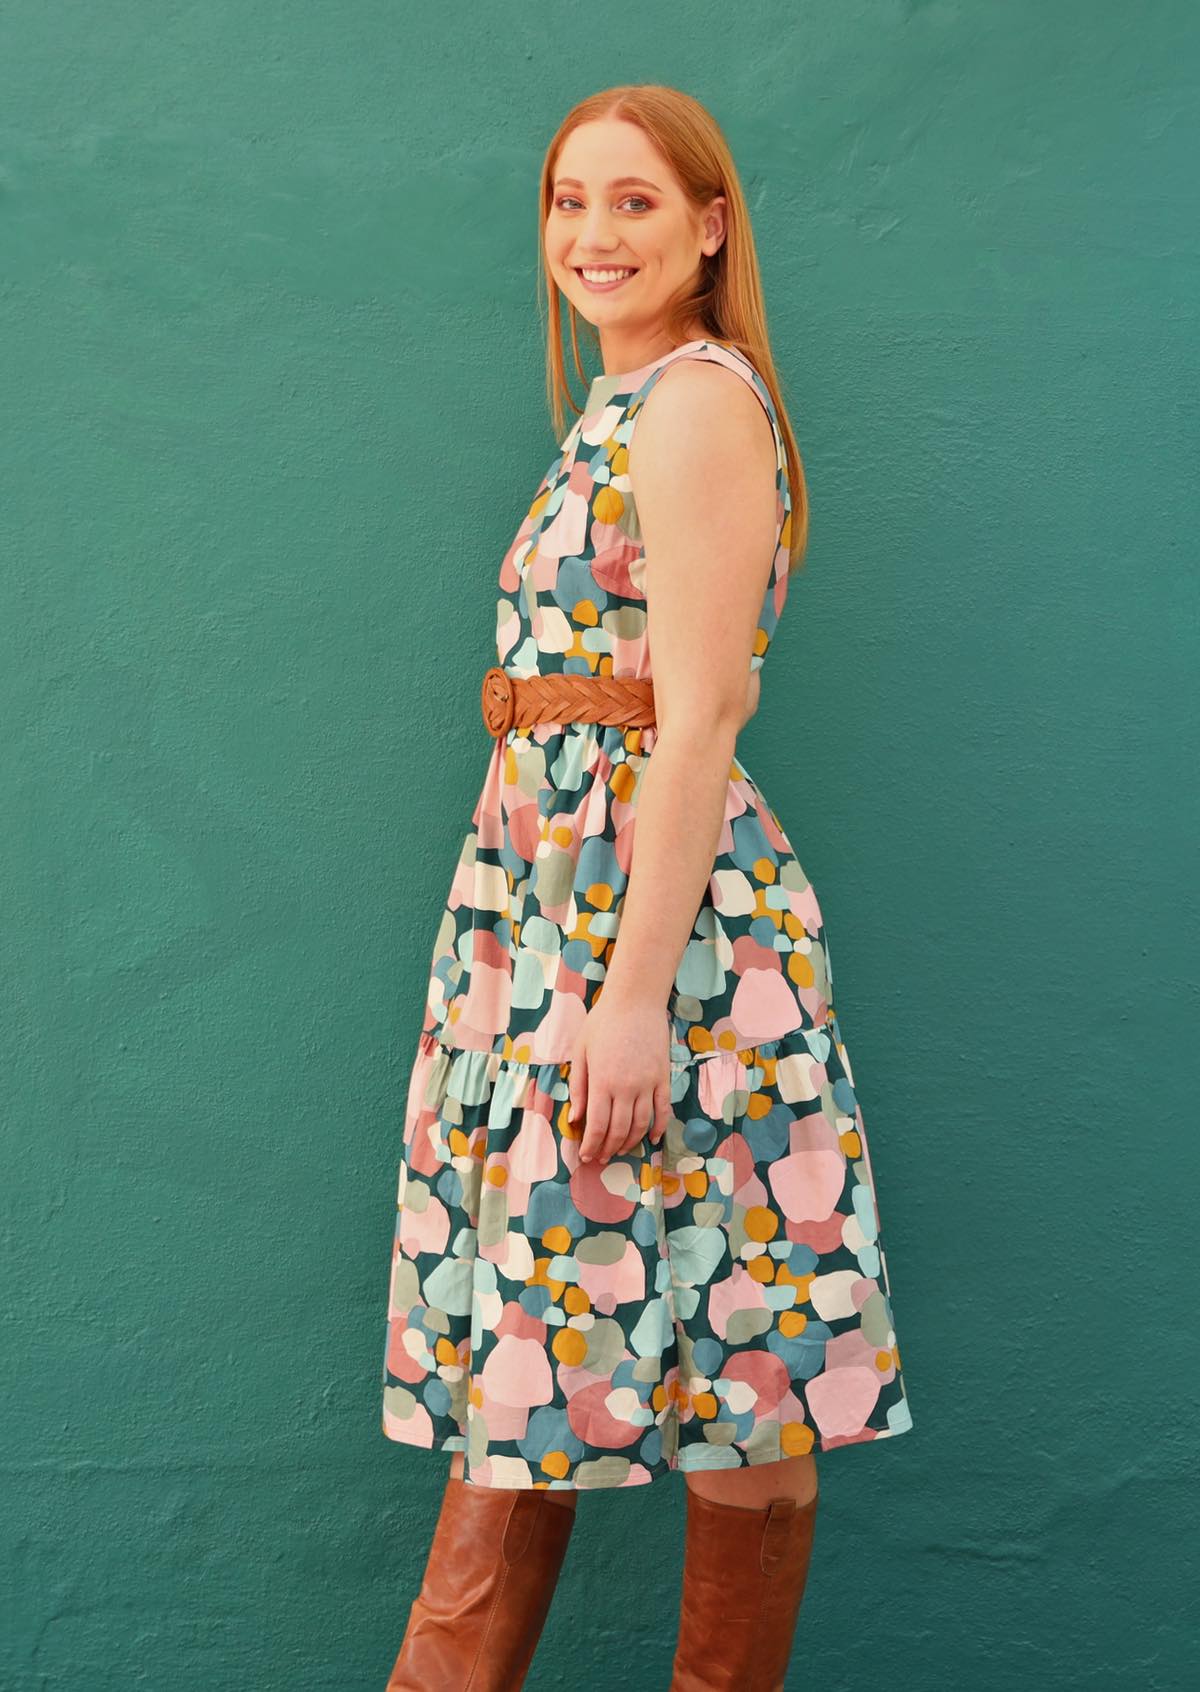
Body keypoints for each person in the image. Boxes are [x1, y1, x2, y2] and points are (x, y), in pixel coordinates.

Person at [380, 81, 914, 1692]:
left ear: (709, 225)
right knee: (542, 1342)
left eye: (634, 200)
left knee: (743, 1363)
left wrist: (625, 1007)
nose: (593, 234)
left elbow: (698, 725)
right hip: (555, 916)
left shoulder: (694, 405)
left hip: (659, 946)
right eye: (570, 201)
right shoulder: (621, 407)